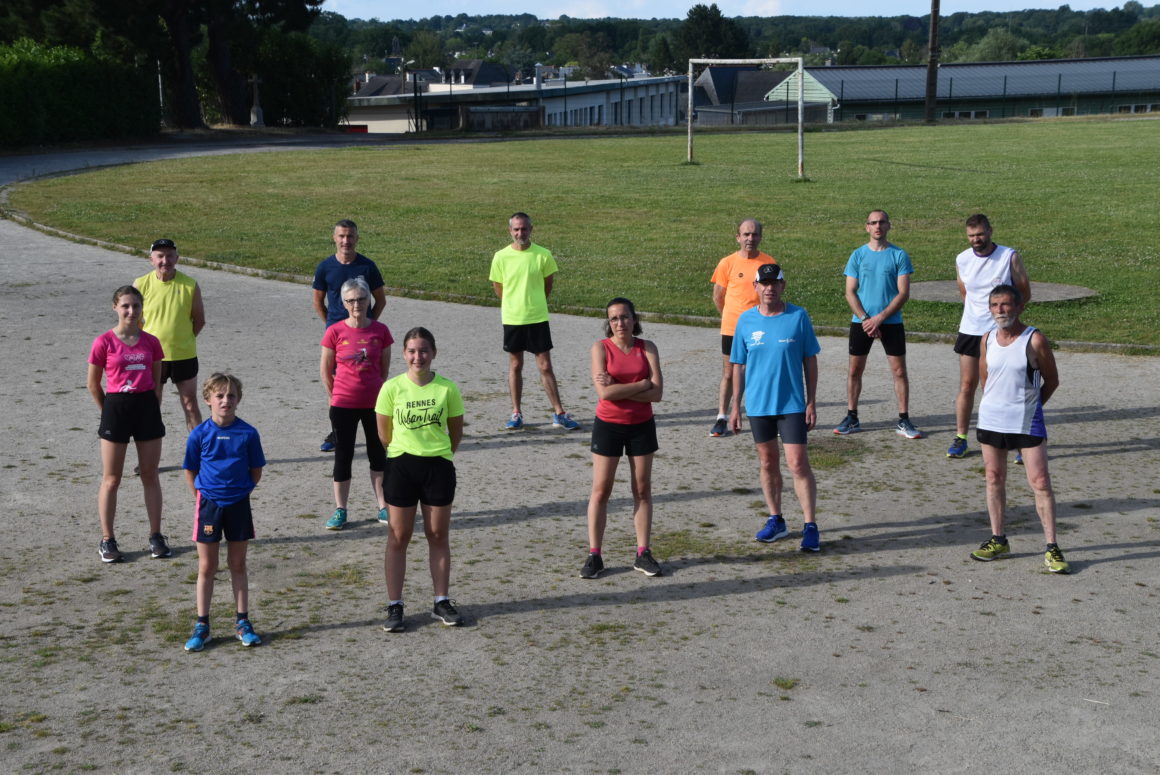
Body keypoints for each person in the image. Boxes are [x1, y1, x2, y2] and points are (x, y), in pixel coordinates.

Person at [969, 285, 1068, 573]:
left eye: (1005, 304)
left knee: (1040, 482)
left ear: (1019, 307)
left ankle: (1052, 547)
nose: (1000, 310)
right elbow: (985, 379)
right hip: (991, 419)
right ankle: (998, 539)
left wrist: (1031, 405)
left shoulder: (1034, 339)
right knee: (994, 477)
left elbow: (1051, 380)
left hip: (1026, 421)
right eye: (995, 305)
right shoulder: (987, 339)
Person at [375, 327, 466, 633]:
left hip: (437, 467)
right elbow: (384, 435)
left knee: (437, 535)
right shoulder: (391, 388)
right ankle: (395, 605)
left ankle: (441, 601)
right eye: (412, 351)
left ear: (433, 353)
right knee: (398, 536)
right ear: (404, 354)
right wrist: (406, 453)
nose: (418, 357)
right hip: (401, 467)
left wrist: (438, 453)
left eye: (424, 350)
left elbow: (455, 433)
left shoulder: (447, 389)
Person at [728, 264, 822, 552]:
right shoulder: (745, 321)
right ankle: (776, 519)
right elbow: (738, 366)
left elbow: (810, 360)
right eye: (764, 283)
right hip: (759, 406)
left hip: (791, 404)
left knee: (797, 463)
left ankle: (810, 525)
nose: (769, 288)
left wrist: (811, 401)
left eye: (774, 283)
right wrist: (735, 407)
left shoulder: (798, 316)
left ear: (783, 286)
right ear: (755, 287)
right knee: (768, 462)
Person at [182, 373, 268, 651]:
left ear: (238, 399)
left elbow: (256, 471)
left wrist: (240, 491)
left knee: (238, 564)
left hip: (238, 504)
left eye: (231, 395)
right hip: (209, 506)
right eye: (219, 395)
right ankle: (202, 626)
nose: (225, 401)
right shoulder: (199, 434)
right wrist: (202, 496)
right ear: (208, 400)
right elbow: (190, 469)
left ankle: (243, 622)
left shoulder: (248, 433)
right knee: (207, 566)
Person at [581, 298, 664, 579]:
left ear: (634, 319)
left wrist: (619, 387)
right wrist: (641, 384)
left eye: (625, 317)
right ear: (609, 322)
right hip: (608, 426)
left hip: (642, 426)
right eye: (614, 319)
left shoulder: (647, 347)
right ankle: (595, 555)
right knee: (601, 491)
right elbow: (604, 394)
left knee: (642, 490)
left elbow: (657, 393)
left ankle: (643, 553)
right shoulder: (600, 348)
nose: (620, 323)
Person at [86, 285, 170, 563]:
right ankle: (107, 539)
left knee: (150, 475)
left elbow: (156, 381)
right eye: (125, 306)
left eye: (136, 305)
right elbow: (93, 384)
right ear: (115, 307)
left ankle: (156, 536)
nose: (131, 311)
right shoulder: (103, 342)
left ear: (142, 308)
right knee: (112, 478)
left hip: (146, 407)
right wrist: (109, 412)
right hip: (116, 407)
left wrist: (152, 407)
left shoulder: (151, 341)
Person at [834, 210, 923, 439]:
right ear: (867, 227)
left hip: (890, 322)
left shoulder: (899, 255)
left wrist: (880, 318)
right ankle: (852, 417)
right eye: (873, 223)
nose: (877, 226)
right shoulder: (857, 255)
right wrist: (866, 319)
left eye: (882, 222)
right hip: (861, 323)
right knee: (855, 370)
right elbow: (850, 292)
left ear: (888, 226)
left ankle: (903, 419)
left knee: (899, 371)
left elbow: (903, 293)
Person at [948, 214, 1031, 459]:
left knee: (1003, 388)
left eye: (980, 234)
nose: (976, 239)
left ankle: (1016, 441)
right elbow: (965, 292)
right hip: (971, 331)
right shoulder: (962, 259)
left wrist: (1006, 320)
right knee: (967, 385)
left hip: (1000, 332)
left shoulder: (1008, 256)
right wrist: (977, 315)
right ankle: (961, 438)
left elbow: (1024, 292)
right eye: (971, 235)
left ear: (990, 231)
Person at [489, 212, 579, 431]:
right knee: (515, 365)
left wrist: (535, 303)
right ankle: (516, 413)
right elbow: (499, 288)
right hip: (513, 318)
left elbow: (548, 285)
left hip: (537, 317)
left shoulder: (543, 255)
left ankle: (559, 413)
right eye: (516, 229)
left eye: (524, 229)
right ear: (510, 231)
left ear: (531, 229)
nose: (520, 233)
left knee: (545, 366)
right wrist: (514, 304)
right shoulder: (500, 257)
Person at [320, 277, 393, 530]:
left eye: (361, 299)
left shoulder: (381, 331)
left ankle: (383, 506)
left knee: (377, 454)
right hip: (343, 404)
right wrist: (335, 396)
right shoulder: (334, 331)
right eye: (350, 300)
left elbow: (383, 369)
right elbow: (325, 370)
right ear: (343, 303)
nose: (356, 305)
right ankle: (340, 509)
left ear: (369, 300)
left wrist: (375, 391)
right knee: (343, 456)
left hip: (374, 404)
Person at [312, 219, 387, 452]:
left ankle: (375, 429)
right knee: (335, 381)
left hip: (364, 333)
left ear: (357, 238)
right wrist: (333, 326)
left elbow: (380, 299)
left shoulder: (367, 267)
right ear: (334, 238)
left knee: (368, 376)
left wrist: (368, 322)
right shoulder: (325, 267)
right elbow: (318, 301)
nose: (346, 241)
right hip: (338, 336)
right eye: (342, 236)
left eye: (350, 236)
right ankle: (337, 432)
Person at [709, 218, 774, 437]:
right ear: (738, 237)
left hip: (760, 329)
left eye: (754, 234)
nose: (750, 238)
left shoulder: (768, 263)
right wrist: (730, 318)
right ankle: (721, 417)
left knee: (762, 372)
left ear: (760, 237)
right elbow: (718, 296)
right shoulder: (727, 263)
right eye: (746, 234)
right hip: (732, 328)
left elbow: (773, 295)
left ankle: (768, 417)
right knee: (729, 373)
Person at [134, 238, 206, 431]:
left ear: (177, 258)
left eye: (169, 256)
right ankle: (150, 449)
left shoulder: (190, 285)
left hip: (183, 354)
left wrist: (183, 339)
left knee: (190, 404)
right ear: (151, 259)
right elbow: (134, 322)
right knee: (152, 404)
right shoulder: (141, 284)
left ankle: (198, 448)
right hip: (153, 356)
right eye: (160, 256)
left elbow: (199, 320)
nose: (165, 261)